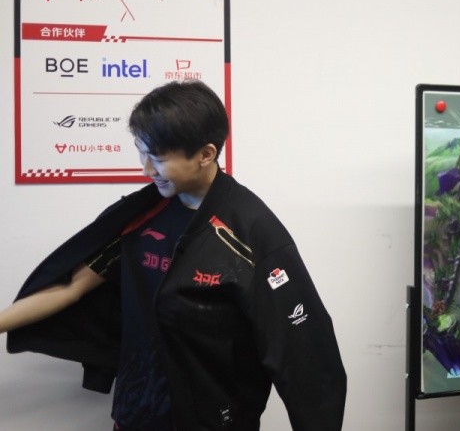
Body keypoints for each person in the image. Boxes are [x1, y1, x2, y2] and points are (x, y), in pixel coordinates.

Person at [0, 80, 347, 430]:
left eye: (159, 158)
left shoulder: (250, 232)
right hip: (134, 415)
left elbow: (305, 355)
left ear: (205, 154)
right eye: (141, 153)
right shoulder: (140, 216)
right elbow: (71, 286)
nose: (146, 170)